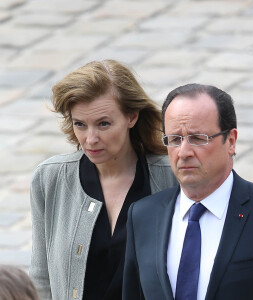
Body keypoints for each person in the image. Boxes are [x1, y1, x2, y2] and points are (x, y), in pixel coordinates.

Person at [123, 83, 253, 300]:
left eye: (198, 138)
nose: (184, 152)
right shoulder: (143, 216)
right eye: (175, 140)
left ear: (231, 141)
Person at [29, 60, 177, 300]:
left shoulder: (172, 177)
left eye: (103, 124)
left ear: (132, 117)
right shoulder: (49, 178)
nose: (90, 139)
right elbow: (41, 277)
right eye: (80, 124)